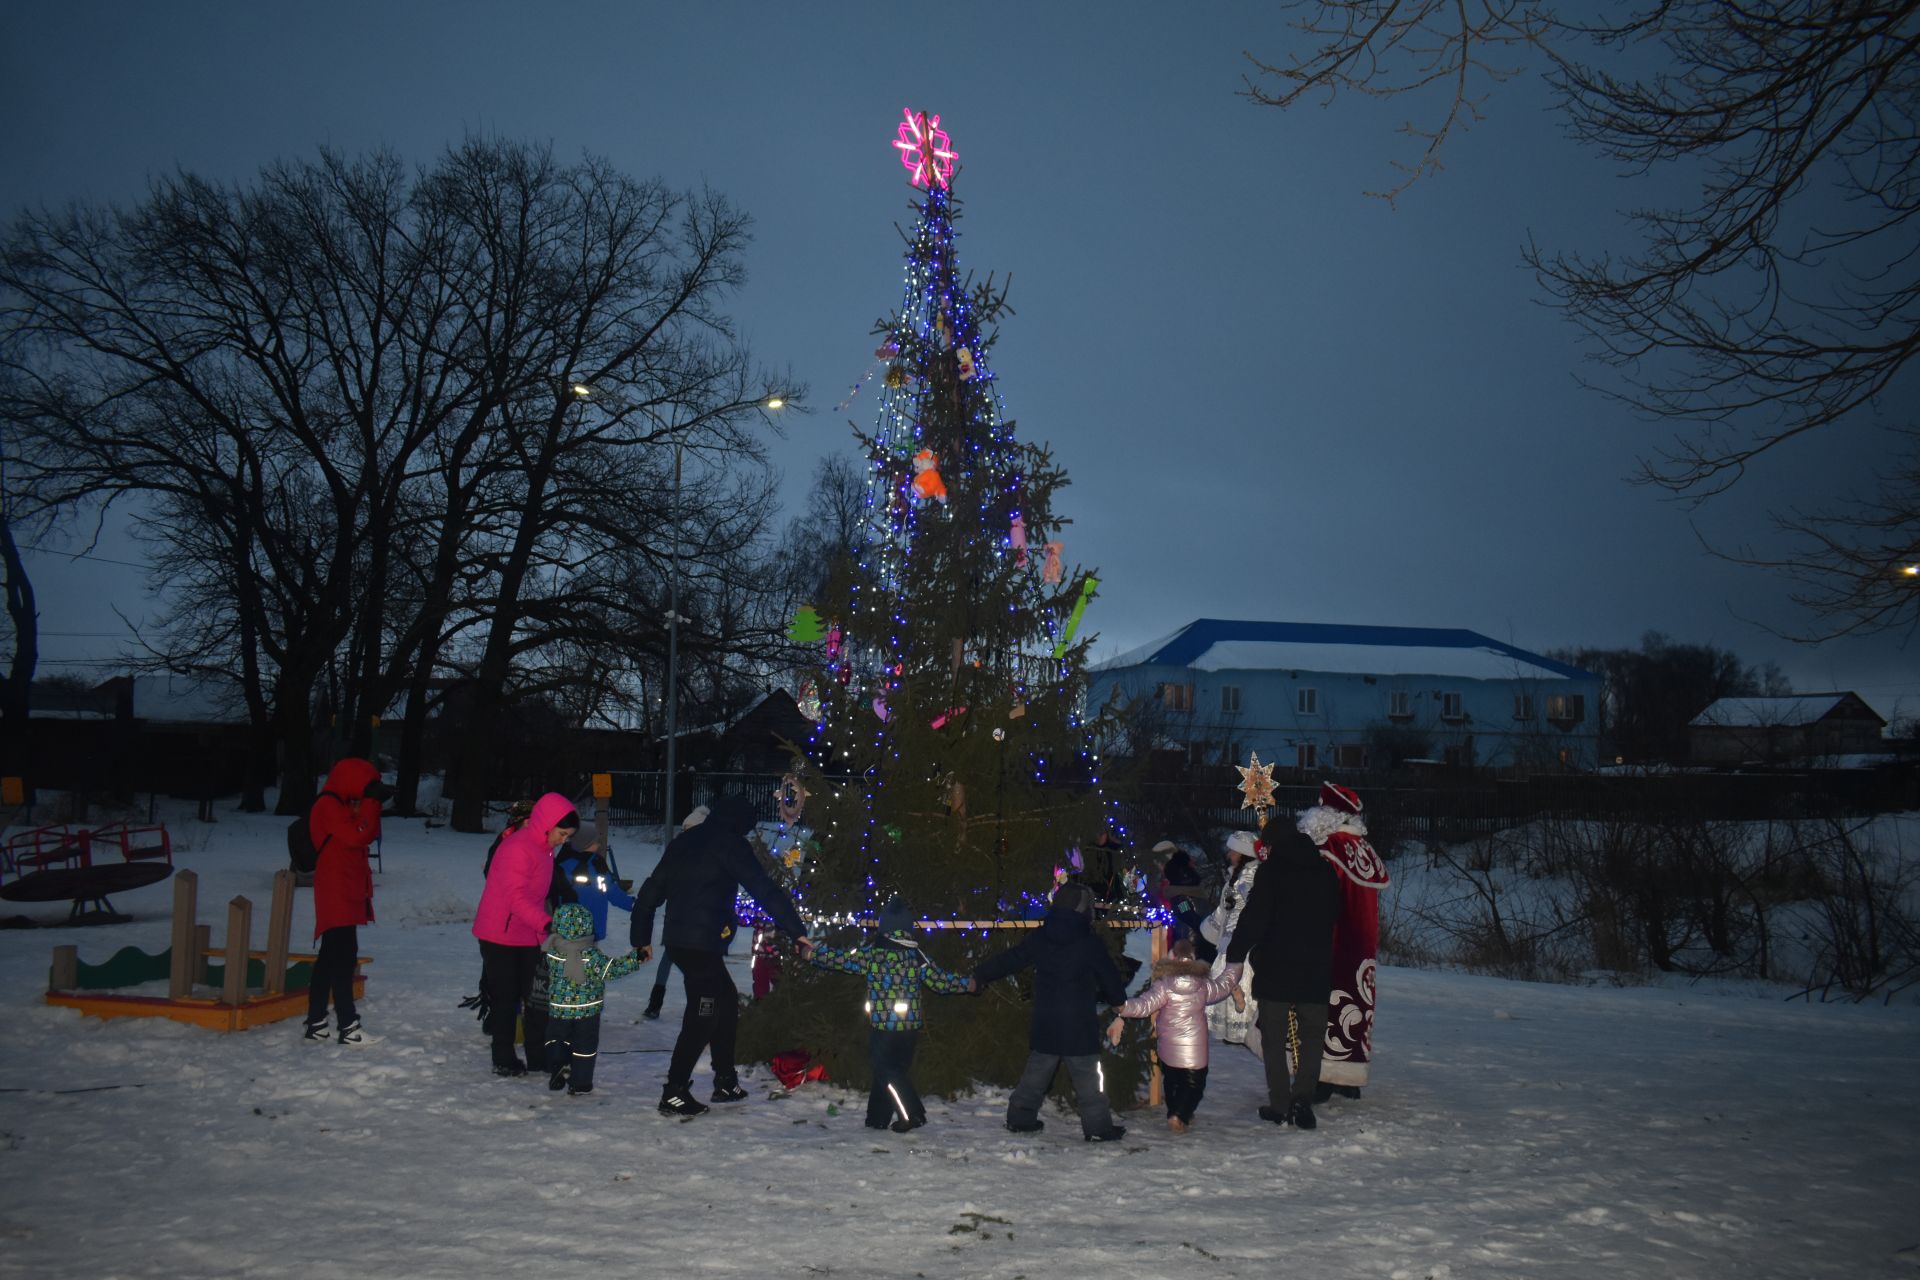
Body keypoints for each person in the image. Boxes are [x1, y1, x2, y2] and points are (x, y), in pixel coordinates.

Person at [629, 794, 813, 1118]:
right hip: (700, 946)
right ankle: (674, 1091)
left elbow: (650, 891)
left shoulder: (684, 842)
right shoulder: (730, 844)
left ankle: (725, 1080)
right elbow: (763, 889)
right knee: (704, 1014)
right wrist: (795, 929)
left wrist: (640, 938)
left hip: (681, 943)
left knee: (725, 1001)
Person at [970, 881, 1129, 1143]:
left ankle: (1020, 1118)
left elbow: (1012, 958)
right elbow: (1108, 976)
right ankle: (1098, 1128)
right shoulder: (1089, 943)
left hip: (1047, 1020)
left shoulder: (1042, 937)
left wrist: (982, 974)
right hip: (1078, 1024)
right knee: (1089, 1080)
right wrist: (1119, 1001)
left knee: (1036, 1074)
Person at [808, 896, 969, 1132]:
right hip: (909, 1030)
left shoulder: (873, 954)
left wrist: (812, 954)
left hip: (884, 1029)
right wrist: (969, 984)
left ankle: (912, 1114)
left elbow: (840, 959)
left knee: (886, 1070)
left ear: (883, 928)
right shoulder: (917, 957)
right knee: (889, 1071)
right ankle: (877, 1118)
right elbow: (941, 981)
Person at [1225, 811, 1343, 1130]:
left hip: (1277, 966)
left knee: (1274, 1038)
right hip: (1315, 967)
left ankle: (1279, 1103)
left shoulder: (1271, 872)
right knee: (1313, 1036)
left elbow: (1255, 919)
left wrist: (1236, 952)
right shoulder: (1325, 871)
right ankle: (1303, 1096)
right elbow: (1335, 913)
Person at [473, 793, 578, 1077]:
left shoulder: (544, 850)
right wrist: (547, 924)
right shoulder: (517, 848)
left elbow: (540, 894)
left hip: (526, 932)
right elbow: (515, 899)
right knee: (506, 998)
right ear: (547, 823)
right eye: (562, 833)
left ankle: (539, 1057)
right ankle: (503, 1058)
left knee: (536, 997)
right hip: (499, 933)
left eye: (568, 836)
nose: (563, 840)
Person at [1298, 782, 1390, 1103]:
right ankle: (1348, 1078)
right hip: (1361, 944)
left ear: (1326, 814)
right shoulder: (1363, 848)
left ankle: (1322, 1077)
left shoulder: (1327, 848)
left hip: (1331, 941)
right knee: (1356, 1005)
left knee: (1324, 1006)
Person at [1107, 938, 1243, 1133]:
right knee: (1195, 1084)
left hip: (1168, 1045)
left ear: (1173, 958)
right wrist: (1236, 962)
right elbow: (1224, 984)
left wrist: (1123, 1007)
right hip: (1194, 1047)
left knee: (1172, 1080)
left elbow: (1145, 1005)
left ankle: (1175, 1111)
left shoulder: (1164, 984)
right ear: (1193, 958)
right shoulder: (1203, 985)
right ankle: (1179, 1115)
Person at [303, 757, 390, 1044]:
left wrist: (370, 803)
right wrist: (370, 802)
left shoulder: (338, 804)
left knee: (330, 958)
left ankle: (316, 1024)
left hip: (343, 890)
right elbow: (356, 836)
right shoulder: (328, 806)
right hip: (336, 891)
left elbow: (365, 833)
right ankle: (348, 1028)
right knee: (342, 959)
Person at [542, 903, 645, 1096]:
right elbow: (611, 970)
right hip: (586, 1010)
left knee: (557, 1038)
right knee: (584, 1046)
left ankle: (559, 1064)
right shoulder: (590, 955)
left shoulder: (553, 949)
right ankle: (580, 1082)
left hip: (559, 1008)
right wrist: (635, 959)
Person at [641, 804, 708, 1021]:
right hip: (678, 917)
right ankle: (655, 1002)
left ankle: (699, 1006)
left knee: (698, 963)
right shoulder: (682, 851)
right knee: (671, 959)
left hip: (696, 920)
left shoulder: (705, 853)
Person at [1203, 831, 1263, 1046]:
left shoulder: (1251, 876)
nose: (1229, 854)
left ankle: (1242, 1030)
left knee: (1240, 979)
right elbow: (1225, 907)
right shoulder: (1237, 874)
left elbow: (1253, 906)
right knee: (1224, 978)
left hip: (1241, 941)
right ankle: (1231, 1029)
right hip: (1230, 938)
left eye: (1233, 850)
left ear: (1243, 852)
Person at [553, 836, 633, 942]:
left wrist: (632, 905)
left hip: (594, 929)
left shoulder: (597, 862)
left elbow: (611, 890)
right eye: (594, 841)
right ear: (583, 842)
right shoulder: (564, 865)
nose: (598, 844)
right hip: (571, 931)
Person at [1154, 841, 1214, 961]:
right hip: (1201, 947)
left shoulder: (1181, 899)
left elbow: (1189, 919)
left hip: (1192, 953)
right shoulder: (1193, 891)